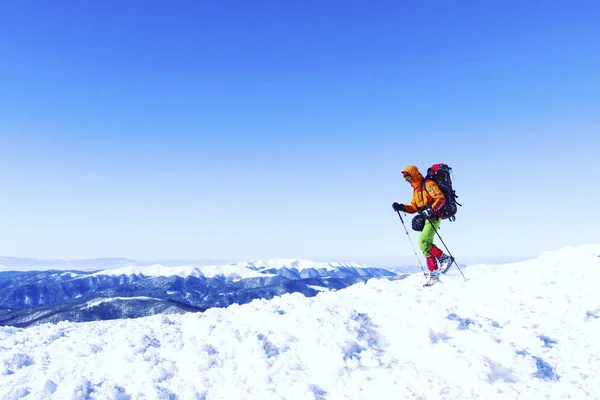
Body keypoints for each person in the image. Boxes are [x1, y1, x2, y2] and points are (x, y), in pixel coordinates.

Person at [392, 165, 453, 285]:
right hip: (426, 219)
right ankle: (434, 274)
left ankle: (445, 258)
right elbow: (414, 207)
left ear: (413, 174)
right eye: (405, 179)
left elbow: (440, 199)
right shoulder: (416, 190)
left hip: (434, 217)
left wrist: (430, 211)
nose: (407, 180)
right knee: (425, 246)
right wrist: (401, 207)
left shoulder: (428, 184)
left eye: (408, 177)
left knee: (423, 242)